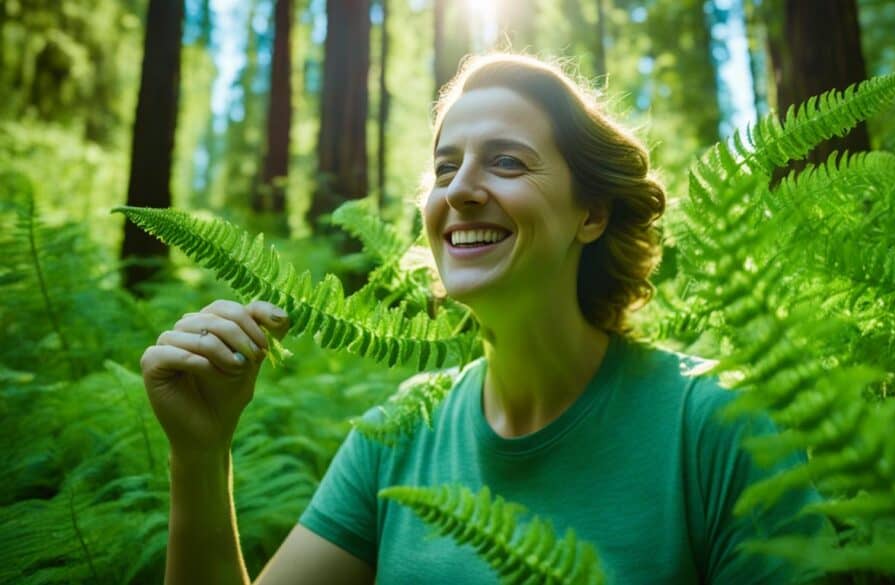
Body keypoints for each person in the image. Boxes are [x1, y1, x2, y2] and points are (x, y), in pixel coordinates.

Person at [141, 54, 823, 584]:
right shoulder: (396, 434)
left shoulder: (721, 430)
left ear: (592, 212)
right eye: (444, 168)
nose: (461, 190)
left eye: (505, 161)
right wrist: (200, 455)